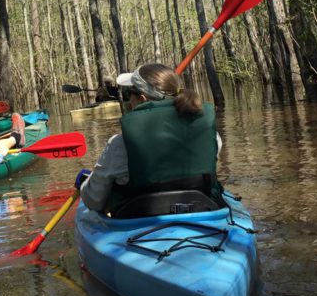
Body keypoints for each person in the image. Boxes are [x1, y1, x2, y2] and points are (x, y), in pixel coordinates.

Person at [77, 63, 222, 215]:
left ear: (142, 99)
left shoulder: (120, 144)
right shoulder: (211, 135)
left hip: (139, 222)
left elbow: (93, 201)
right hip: (201, 212)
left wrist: (85, 185)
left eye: (128, 94)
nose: (127, 101)